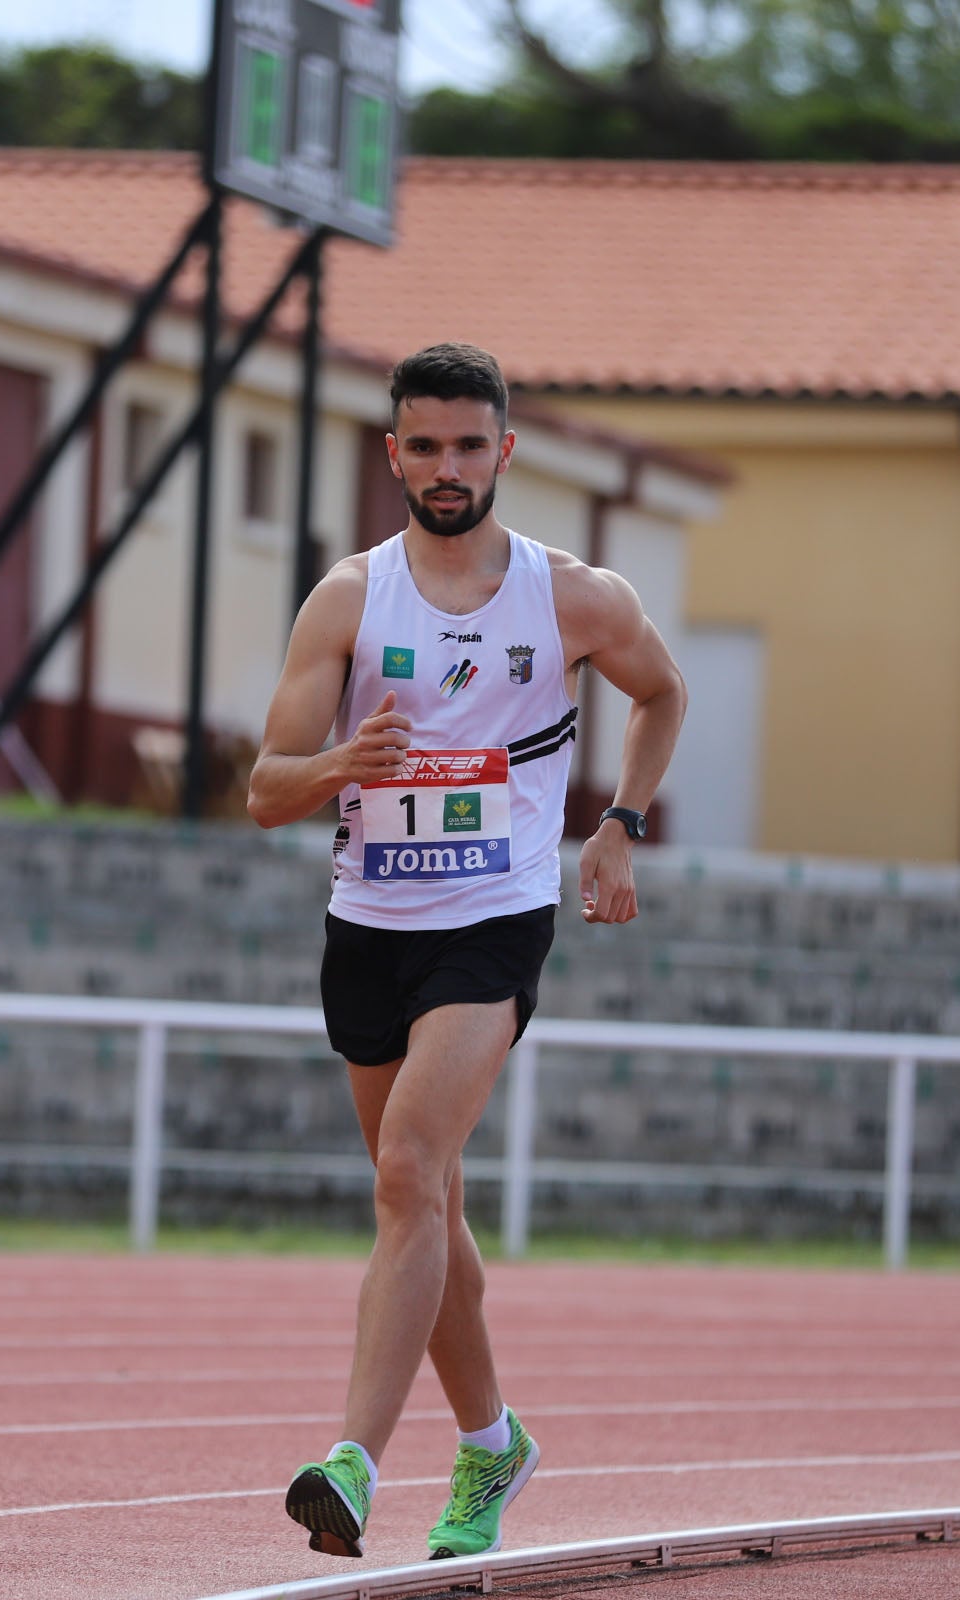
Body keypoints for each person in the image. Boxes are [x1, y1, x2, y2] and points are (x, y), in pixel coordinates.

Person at [248, 343, 687, 1560]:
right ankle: (493, 1446)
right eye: (424, 445)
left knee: (407, 1170)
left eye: (469, 444)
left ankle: (351, 1460)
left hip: (493, 916)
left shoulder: (572, 597)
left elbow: (663, 693)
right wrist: (345, 764)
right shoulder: (348, 598)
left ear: (506, 449)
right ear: (394, 454)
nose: (448, 468)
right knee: (426, 1203)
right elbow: (265, 788)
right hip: (368, 924)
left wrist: (617, 826)